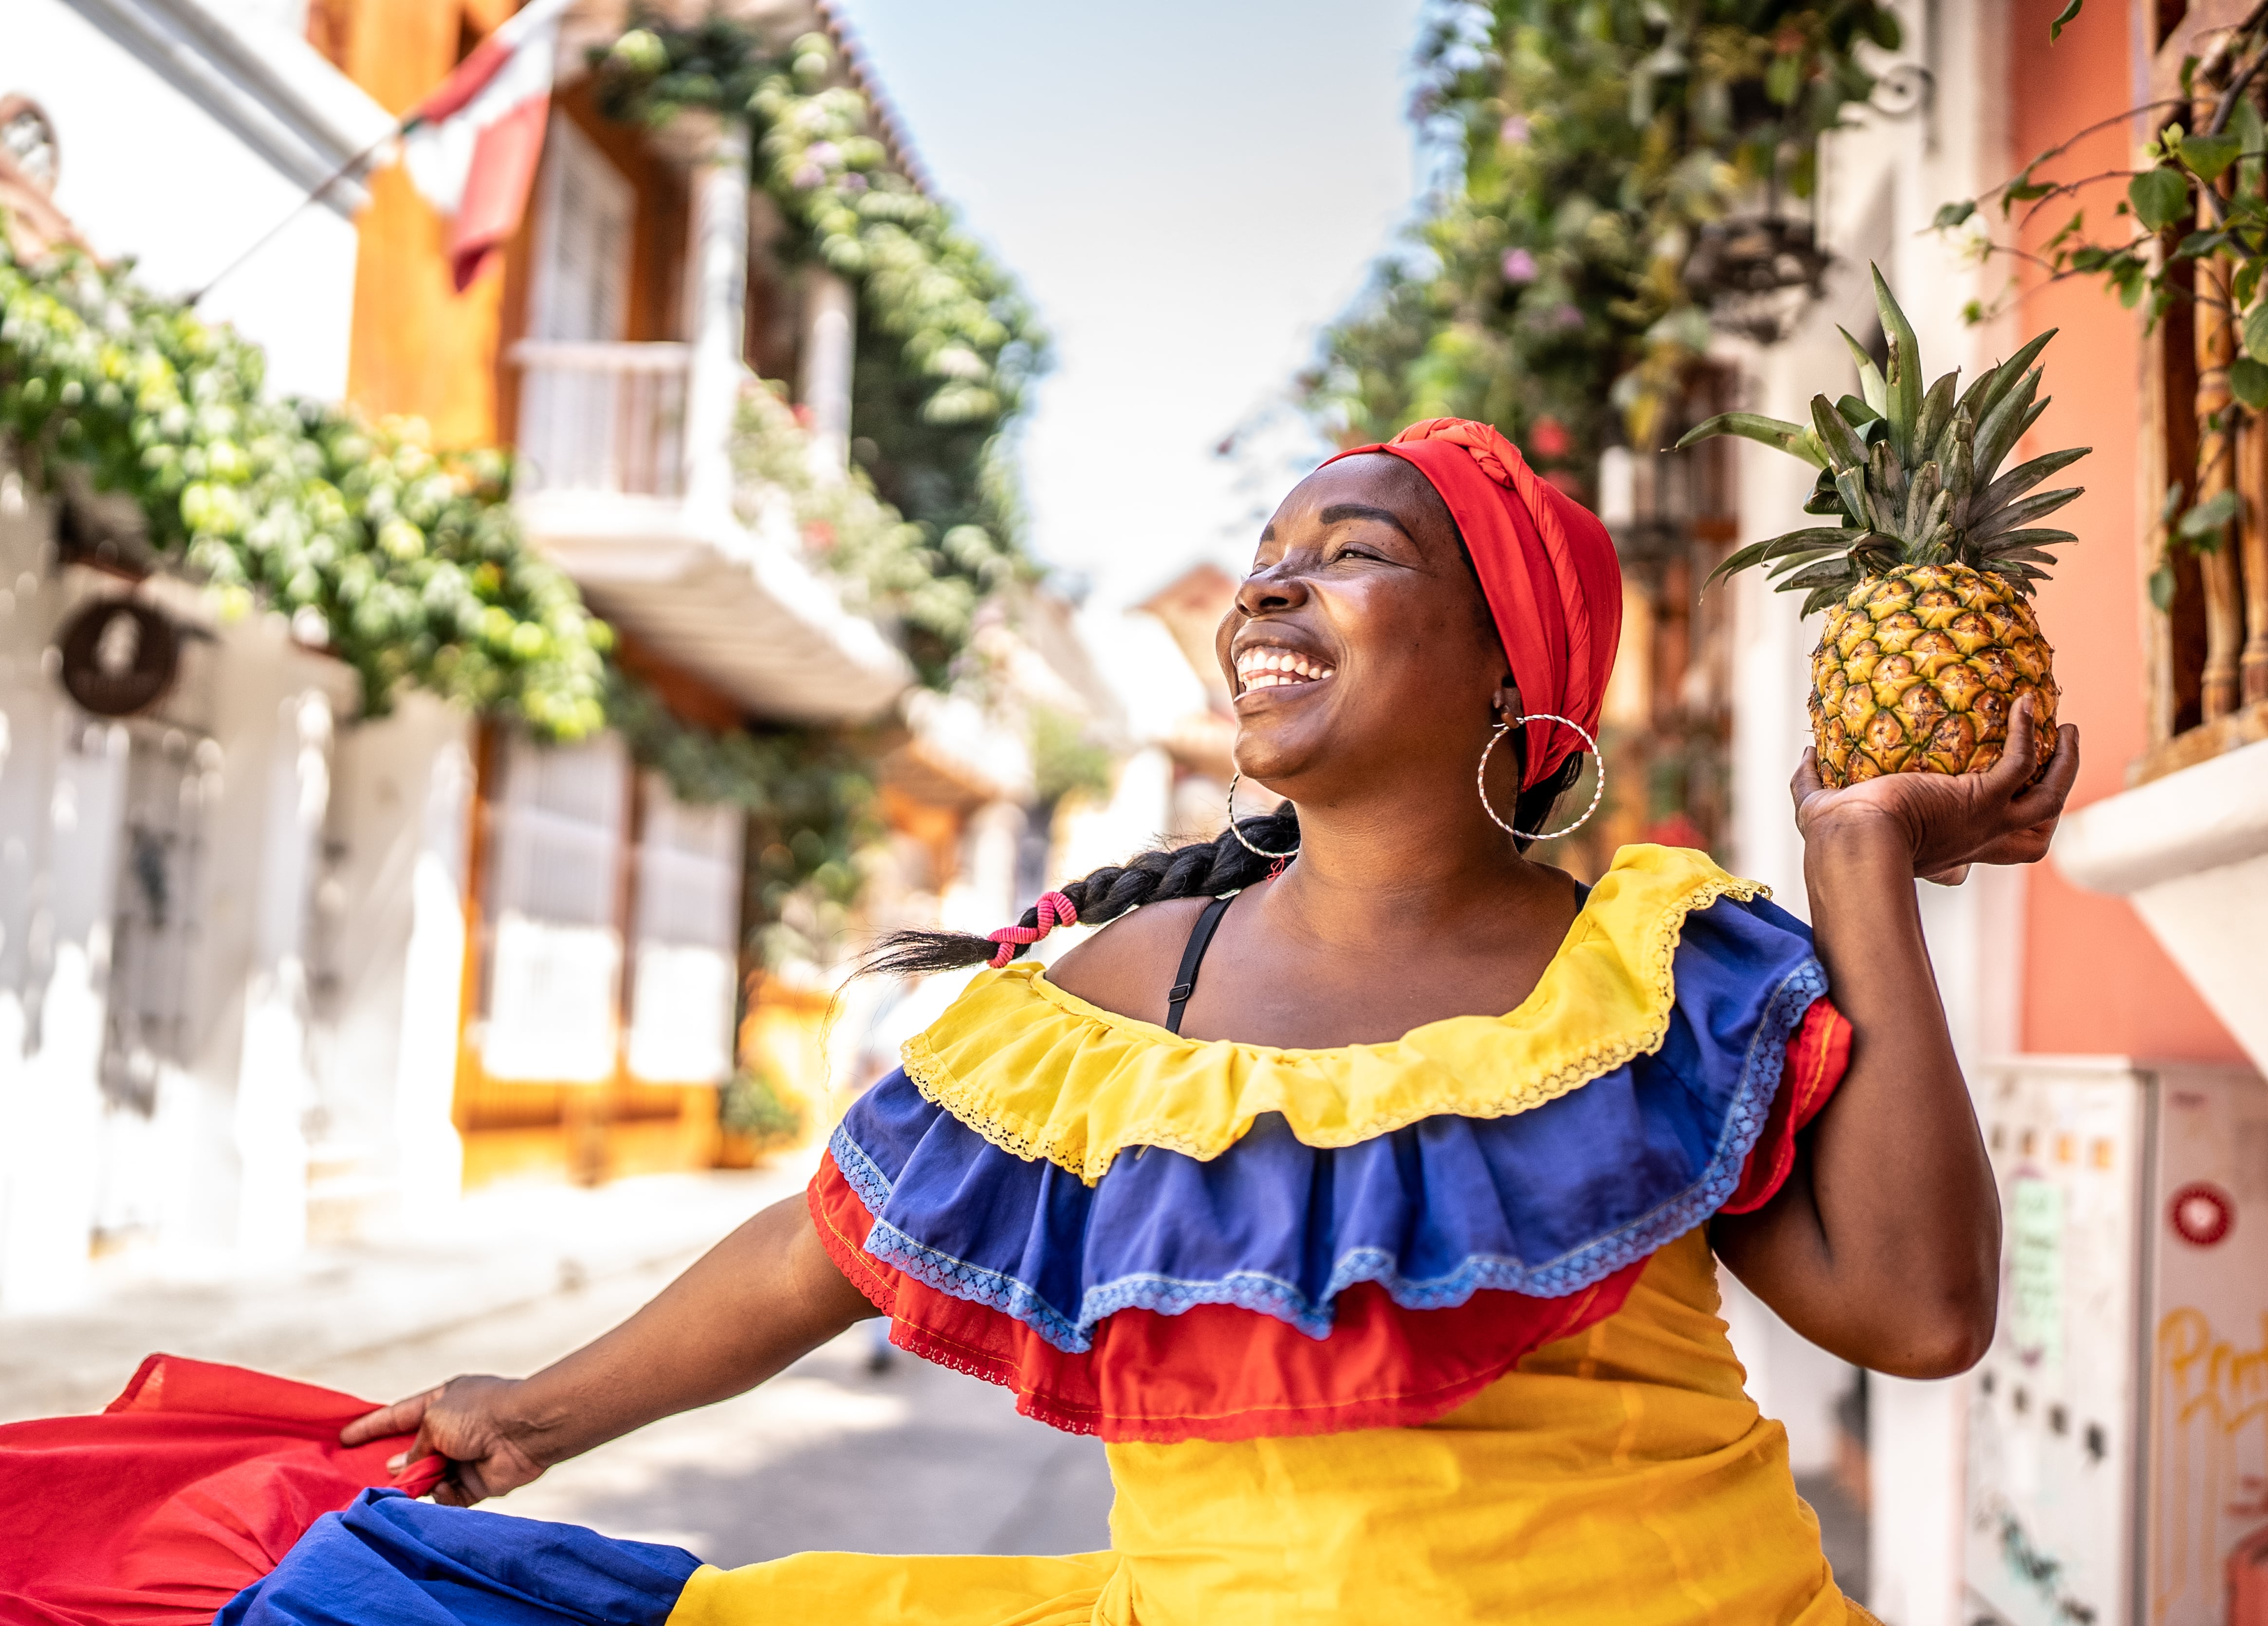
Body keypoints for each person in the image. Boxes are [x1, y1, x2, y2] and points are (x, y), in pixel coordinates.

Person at [213, 417, 2069, 1623]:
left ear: (1516, 659)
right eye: (1268, 550)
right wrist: (525, 1414)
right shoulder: (1112, 1005)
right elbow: (822, 1252)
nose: (1271, 582)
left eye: (1353, 552)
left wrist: (1859, 871)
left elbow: (1918, 1312)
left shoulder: (1658, 972)